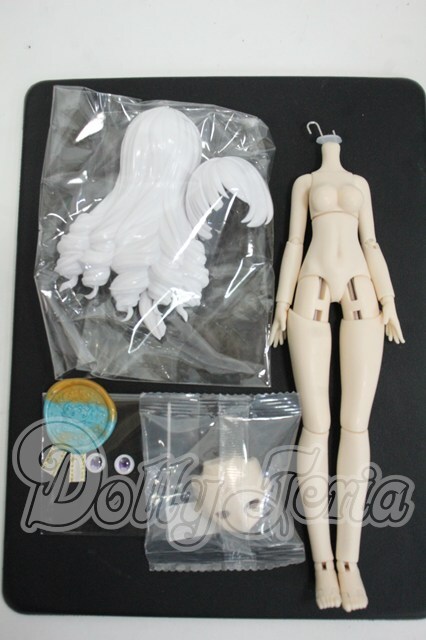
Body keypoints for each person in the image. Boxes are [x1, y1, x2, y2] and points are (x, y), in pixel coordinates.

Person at [269, 122, 404, 612]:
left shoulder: (360, 184)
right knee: (317, 422)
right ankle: (323, 561)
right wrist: (281, 305)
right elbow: (292, 242)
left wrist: (389, 301)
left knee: (355, 424)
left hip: (362, 289)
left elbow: (373, 243)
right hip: (311, 284)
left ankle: (350, 559)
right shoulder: (305, 183)